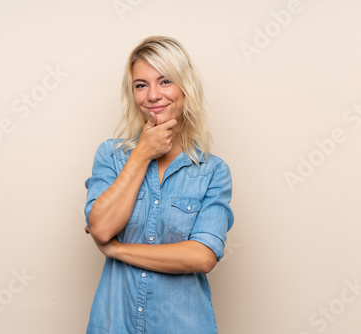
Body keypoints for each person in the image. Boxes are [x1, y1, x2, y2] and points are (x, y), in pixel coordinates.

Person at [84, 36, 234, 334]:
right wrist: (142, 153)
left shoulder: (213, 172)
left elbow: (202, 257)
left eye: (165, 81)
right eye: (141, 85)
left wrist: (118, 251)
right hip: (115, 324)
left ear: (185, 88)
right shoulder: (111, 157)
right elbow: (101, 227)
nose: (153, 95)